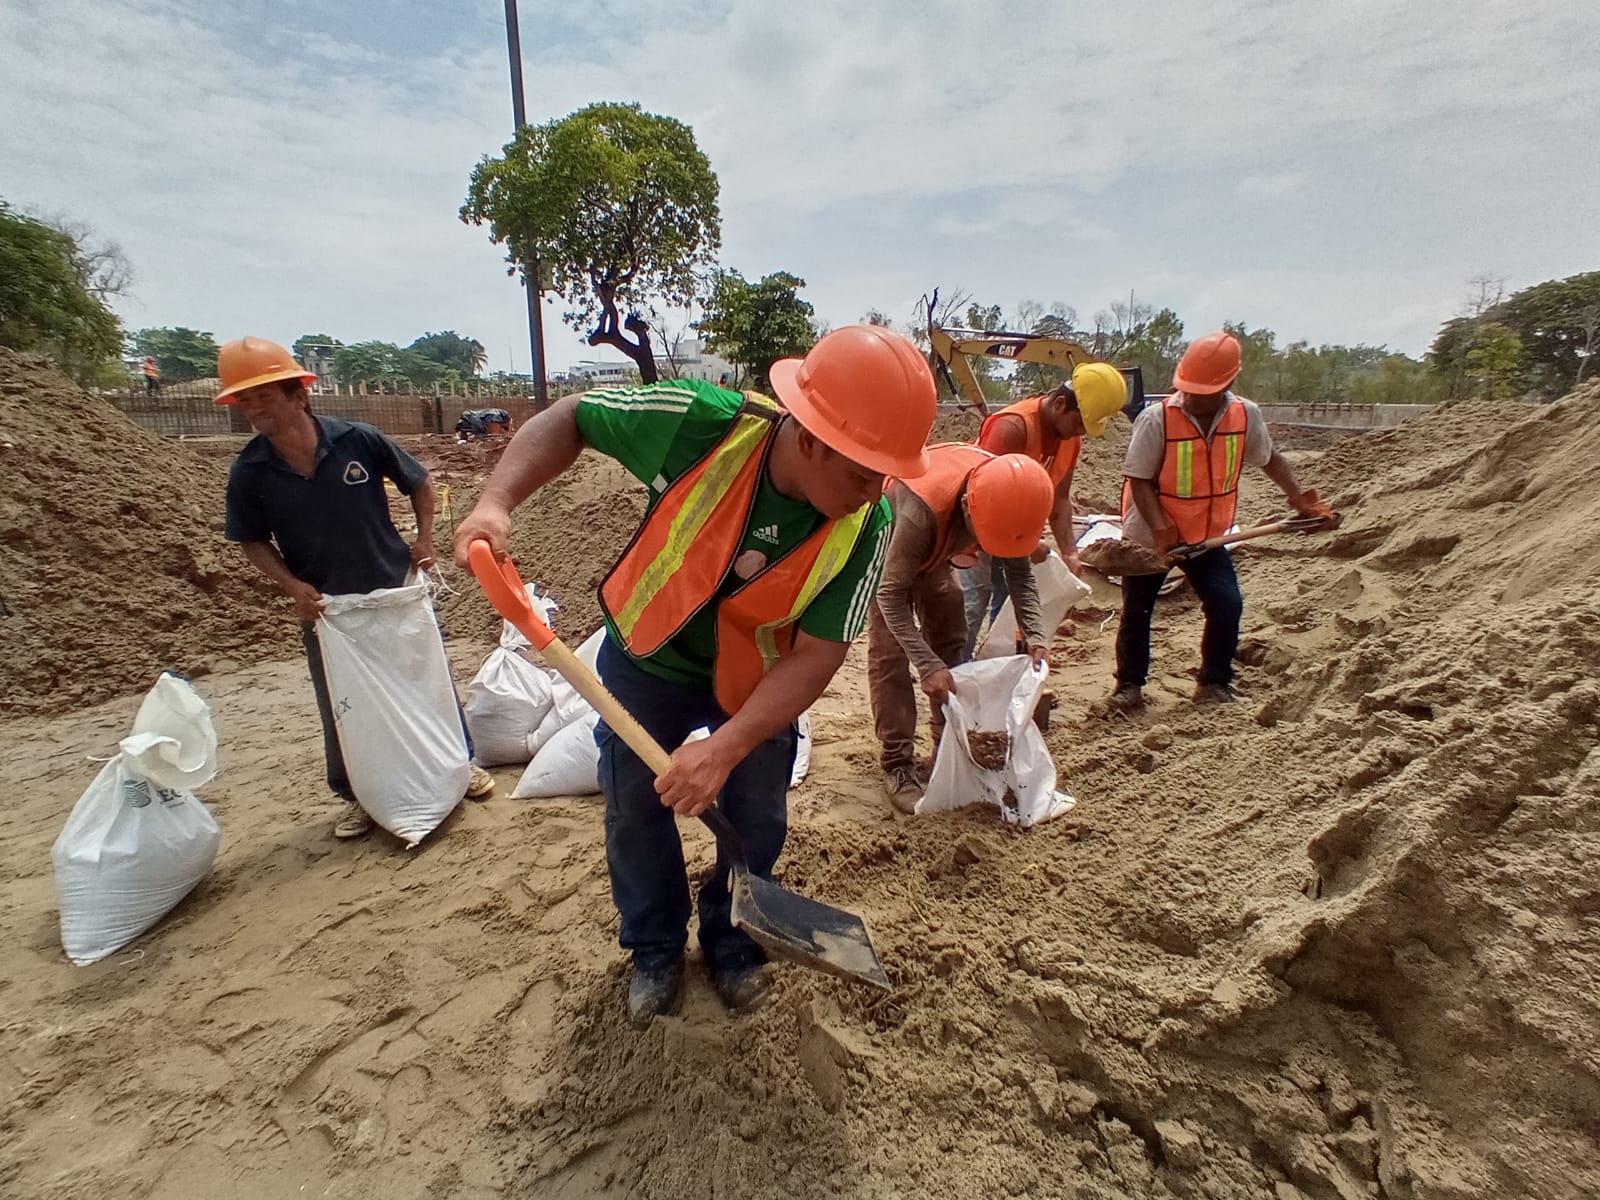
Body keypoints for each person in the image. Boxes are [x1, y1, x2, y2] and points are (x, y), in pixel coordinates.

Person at [451, 325, 937, 1025]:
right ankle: (653, 951)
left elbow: (818, 653)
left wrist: (729, 745)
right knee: (635, 812)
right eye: (862, 471)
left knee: (756, 816)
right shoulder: (700, 424)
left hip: (759, 678)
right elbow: (572, 418)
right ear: (808, 437)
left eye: (884, 474)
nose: (873, 493)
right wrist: (495, 503)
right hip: (647, 658)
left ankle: (734, 942)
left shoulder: (868, 522)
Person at [219, 336, 495, 838]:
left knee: (425, 680)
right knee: (342, 703)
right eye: (244, 400)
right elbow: (252, 542)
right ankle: (356, 793)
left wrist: (424, 538)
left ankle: (461, 763)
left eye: (263, 397)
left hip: (393, 589)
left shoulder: (358, 440)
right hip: (328, 609)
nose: (253, 409)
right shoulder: (250, 472)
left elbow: (420, 482)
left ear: (298, 396)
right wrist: (291, 586)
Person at [1109, 330, 1331, 710]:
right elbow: (1140, 481)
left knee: (1227, 604)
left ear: (1226, 385)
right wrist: (1162, 529)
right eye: (1187, 388)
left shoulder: (1245, 415)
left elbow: (1270, 459)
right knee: (1137, 610)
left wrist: (1299, 499)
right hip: (1151, 535)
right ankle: (1129, 687)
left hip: (1207, 536)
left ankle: (1214, 682)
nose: (1191, 396)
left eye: (1201, 390)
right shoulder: (1156, 419)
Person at [870, 446, 1055, 812]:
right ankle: (898, 764)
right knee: (891, 655)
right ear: (970, 509)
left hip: (936, 554)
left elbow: (1020, 576)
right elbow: (890, 595)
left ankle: (947, 749)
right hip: (885, 555)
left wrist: (1035, 634)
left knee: (952, 638)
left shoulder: (1007, 497)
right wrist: (926, 663)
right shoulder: (921, 512)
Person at [961, 362, 1127, 657]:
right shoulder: (1012, 428)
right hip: (978, 527)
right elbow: (984, 496)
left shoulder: (1069, 441)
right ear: (1061, 404)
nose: (1081, 433)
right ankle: (955, 673)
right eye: (1079, 424)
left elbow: (1060, 500)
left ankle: (999, 673)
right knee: (973, 603)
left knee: (1011, 607)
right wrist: (1028, 544)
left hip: (1018, 537)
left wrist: (1069, 551)